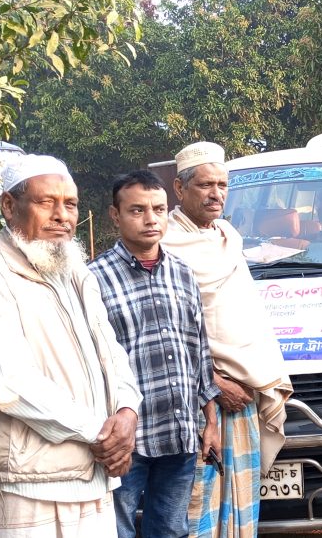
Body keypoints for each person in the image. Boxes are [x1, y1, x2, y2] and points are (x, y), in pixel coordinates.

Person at [0, 155, 142, 537]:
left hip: (93, 476)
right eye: (45, 201)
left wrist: (129, 411)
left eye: (69, 204)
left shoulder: (75, 270)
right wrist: (104, 432)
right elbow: (10, 383)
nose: (61, 215)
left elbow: (111, 352)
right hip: (27, 485)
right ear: (8, 206)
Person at [162, 141, 293, 537]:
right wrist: (214, 384)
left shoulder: (228, 236)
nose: (216, 193)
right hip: (200, 399)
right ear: (179, 189)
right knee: (198, 503)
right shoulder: (164, 243)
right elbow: (166, 331)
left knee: (241, 503)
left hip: (245, 391)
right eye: (205, 185)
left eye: (222, 184)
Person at [88, 171, 222, 538]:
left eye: (159, 209)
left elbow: (199, 352)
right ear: (115, 215)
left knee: (171, 530)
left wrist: (210, 423)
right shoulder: (91, 280)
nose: (150, 219)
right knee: (116, 531)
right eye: (137, 210)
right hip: (124, 441)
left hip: (178, 433)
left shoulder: (182, 274)